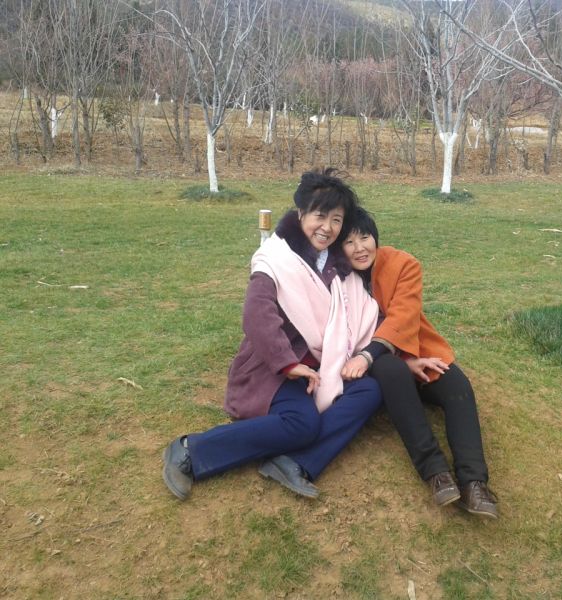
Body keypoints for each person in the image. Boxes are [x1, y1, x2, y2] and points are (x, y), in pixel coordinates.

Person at [162, 168, 381, 501]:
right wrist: (288, 364)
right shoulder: (276, 258)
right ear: (301, 212)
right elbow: (257, 314)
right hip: (273, 367)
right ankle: (192, 450)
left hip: (322, 367)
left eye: (336, 220)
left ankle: (292, 461)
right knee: (301, 423)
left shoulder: (339, 267)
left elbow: (362, 313)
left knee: (369, 389)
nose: (327, 227)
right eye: (320, 216)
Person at [339, 208, 499, 519]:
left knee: (456, 386)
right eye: (349, 242)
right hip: (370, 360)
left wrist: (409, 357)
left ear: (375, 238)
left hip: (414, 347)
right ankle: (435, 471)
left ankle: (474, 482)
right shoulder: (338, 278)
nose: (359, 248)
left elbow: (403, 316)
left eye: (365, 237)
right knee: (392, 371)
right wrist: (394, 359)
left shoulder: (402, 264)